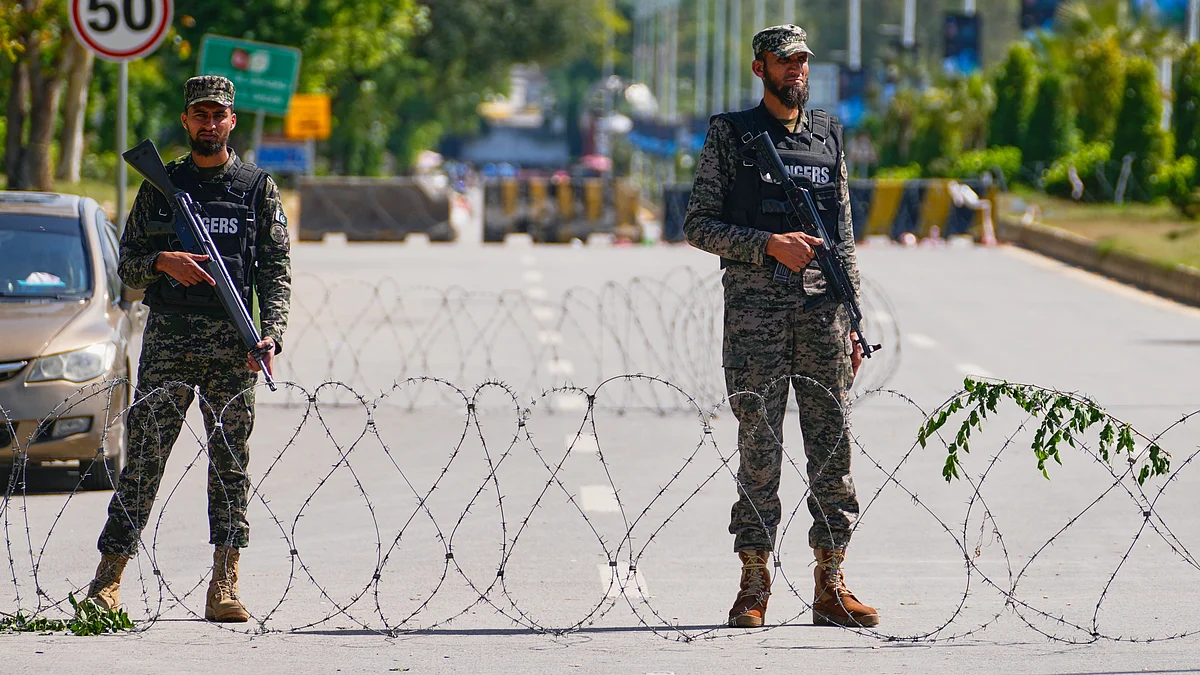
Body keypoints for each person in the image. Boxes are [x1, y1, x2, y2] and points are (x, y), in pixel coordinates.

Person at [682, 25, 879, 629]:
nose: (795, 71)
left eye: (802, 63)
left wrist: (852, 320)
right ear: (759, 68)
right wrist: (768, 244)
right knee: (760, 450)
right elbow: (698, 225)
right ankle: (753, 581)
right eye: (784, 62)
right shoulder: (732, 136)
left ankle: (831, 580)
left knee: (833, 451)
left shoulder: (826, 137)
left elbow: (843, 235)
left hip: (823, 317)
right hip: (755, 320)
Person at [84, 76, 292, 623]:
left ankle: (225, 581)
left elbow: (275, 272)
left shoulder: (255, 188)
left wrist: (270, 332)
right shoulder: (159, 184)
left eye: (218, 114)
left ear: (231, 122)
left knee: (230, 465)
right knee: (145, 460)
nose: (208, 122)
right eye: (199, 113)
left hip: (233, 346)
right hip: (170, 341)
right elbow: (125, 262)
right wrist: (162, 262)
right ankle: (108, 577)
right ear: (185, 120)